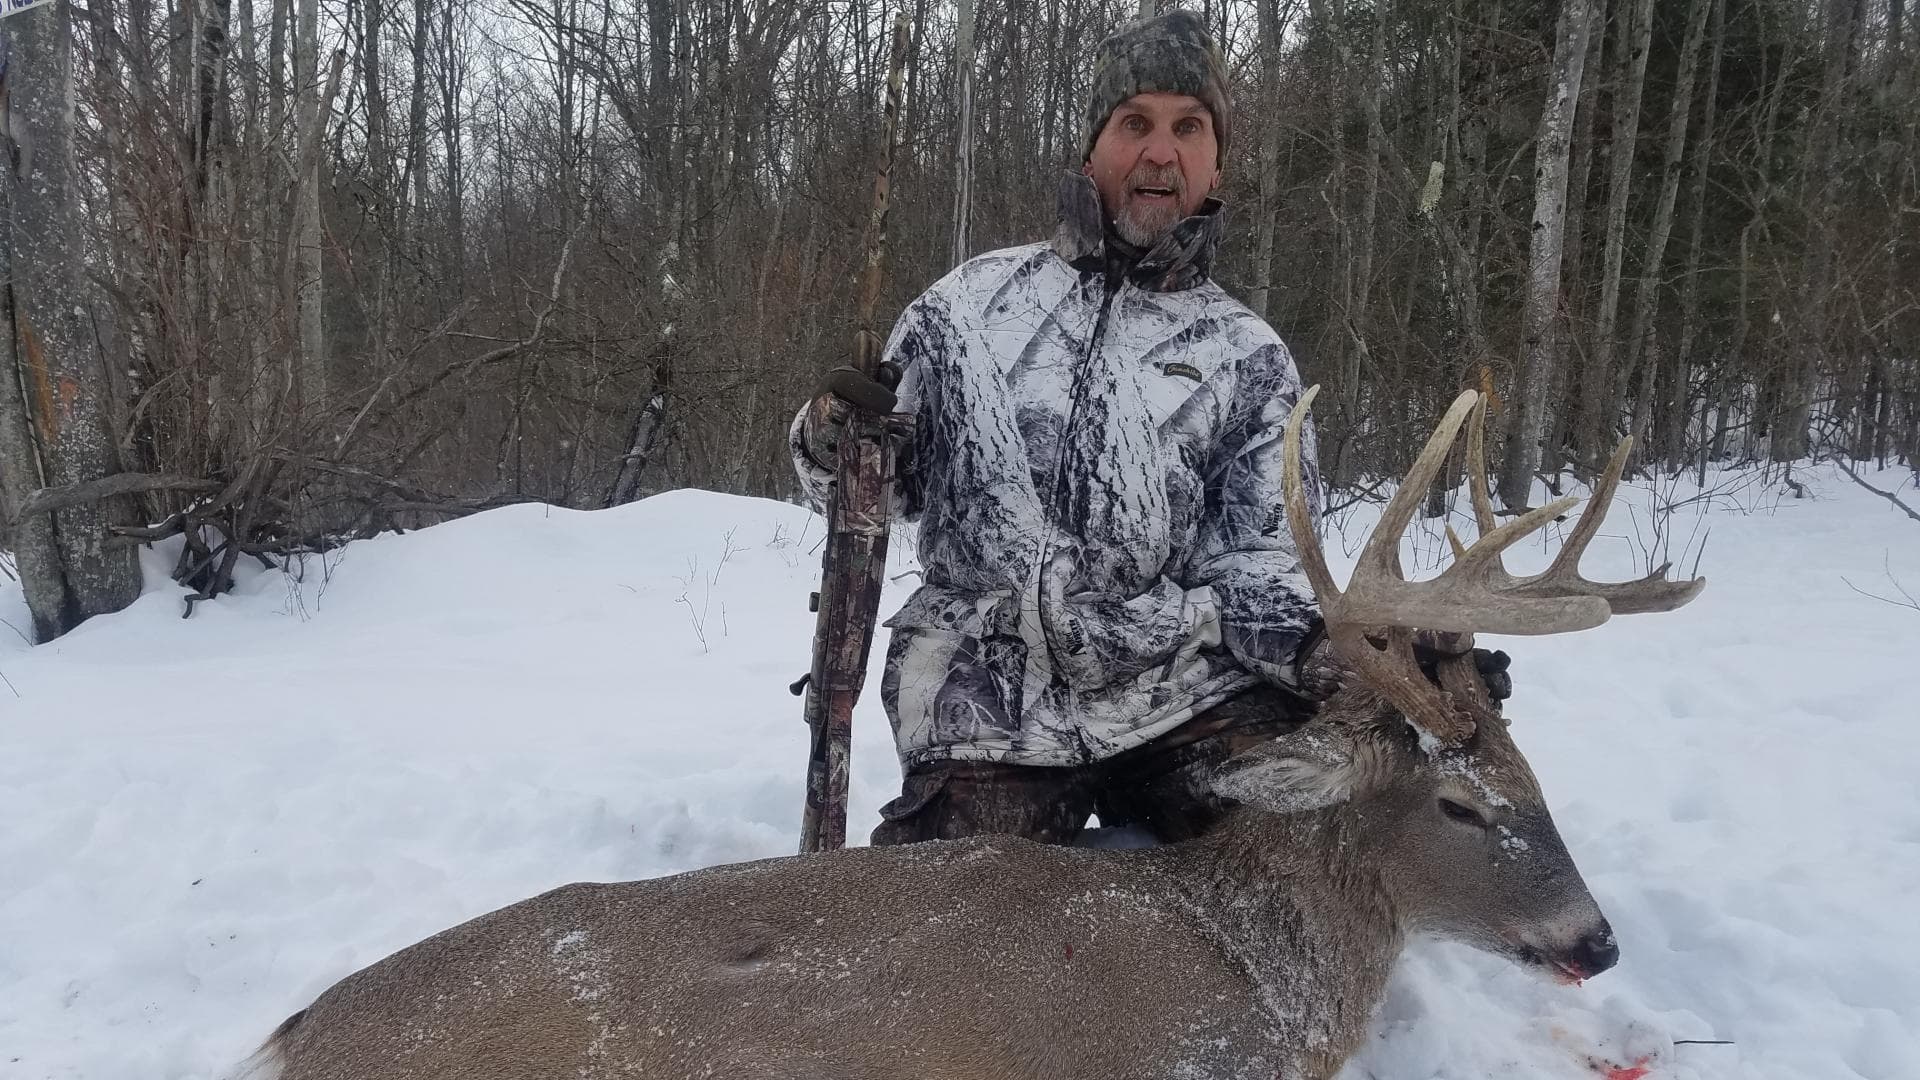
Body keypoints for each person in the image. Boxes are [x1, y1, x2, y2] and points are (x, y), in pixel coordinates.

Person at [790, 10, 1506, 846]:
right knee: (960, 927)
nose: (1161, 152)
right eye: (1135, 123)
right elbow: (865, 490)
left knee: (1298, 853)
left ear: (1215, 157)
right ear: (1094, 146)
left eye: (1188, 127)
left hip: (1183, 689)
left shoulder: (1249, 358)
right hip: (988, 694)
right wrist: (833, 433)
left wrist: (1334, 654)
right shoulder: (967, 308)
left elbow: (1255, 566)